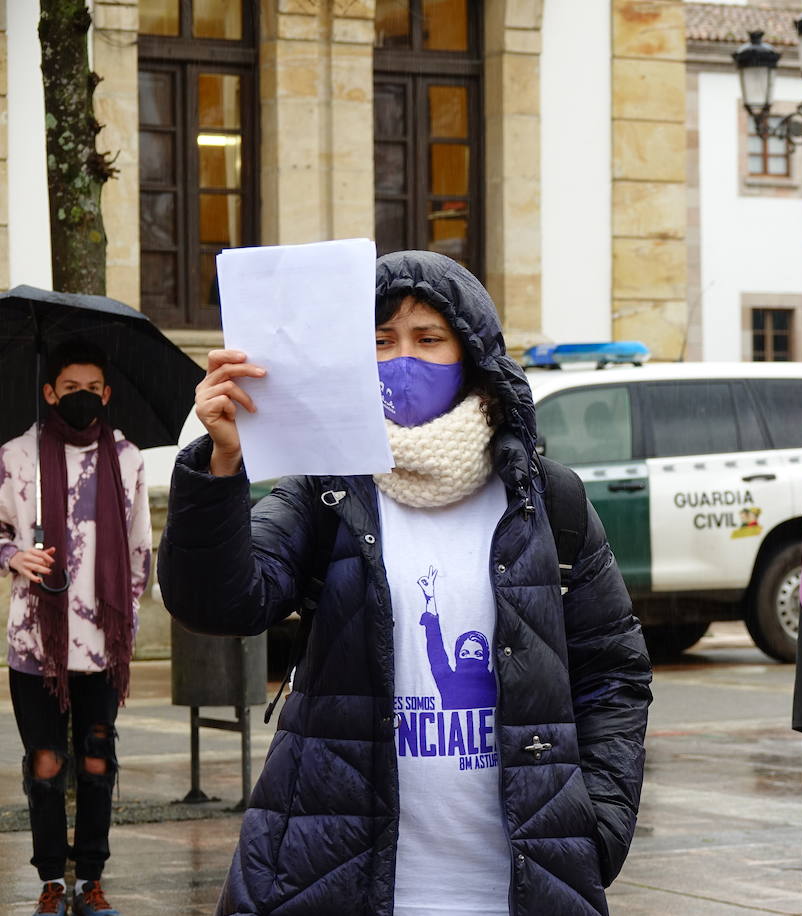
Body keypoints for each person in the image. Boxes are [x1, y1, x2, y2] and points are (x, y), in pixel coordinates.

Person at [157, 250, 652, 915]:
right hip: (335, 876)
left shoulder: (546, 503)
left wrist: (598, 829)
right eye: (381, 341)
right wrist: (218, 468)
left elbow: (613, 674)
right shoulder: (323, 490)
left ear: (471, 352)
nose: (401, 359)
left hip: (515, 888)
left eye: (428, 339)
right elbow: (218, 604)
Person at [1, 339, 152, 916]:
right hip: (35, 645)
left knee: (95, 759)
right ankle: (50, 882)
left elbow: (140, 548)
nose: (83, 397)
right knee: (45, 763)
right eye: (70, 389)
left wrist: (123, 622)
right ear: (49, 392)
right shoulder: (16, 457)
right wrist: (13, 555)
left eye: (92, 388)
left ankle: (91, 877)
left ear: (106, 393)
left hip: (103, 648)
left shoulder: (128, 457)